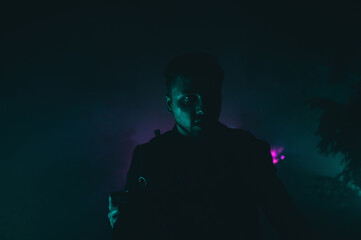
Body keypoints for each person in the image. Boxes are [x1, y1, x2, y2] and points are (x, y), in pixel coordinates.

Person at [108, 52, 319, 240]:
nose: (202, 107)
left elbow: (286, 218)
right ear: (170, 104)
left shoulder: (247, 150)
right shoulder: (150, 157)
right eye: (189, 99)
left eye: (209, 95)